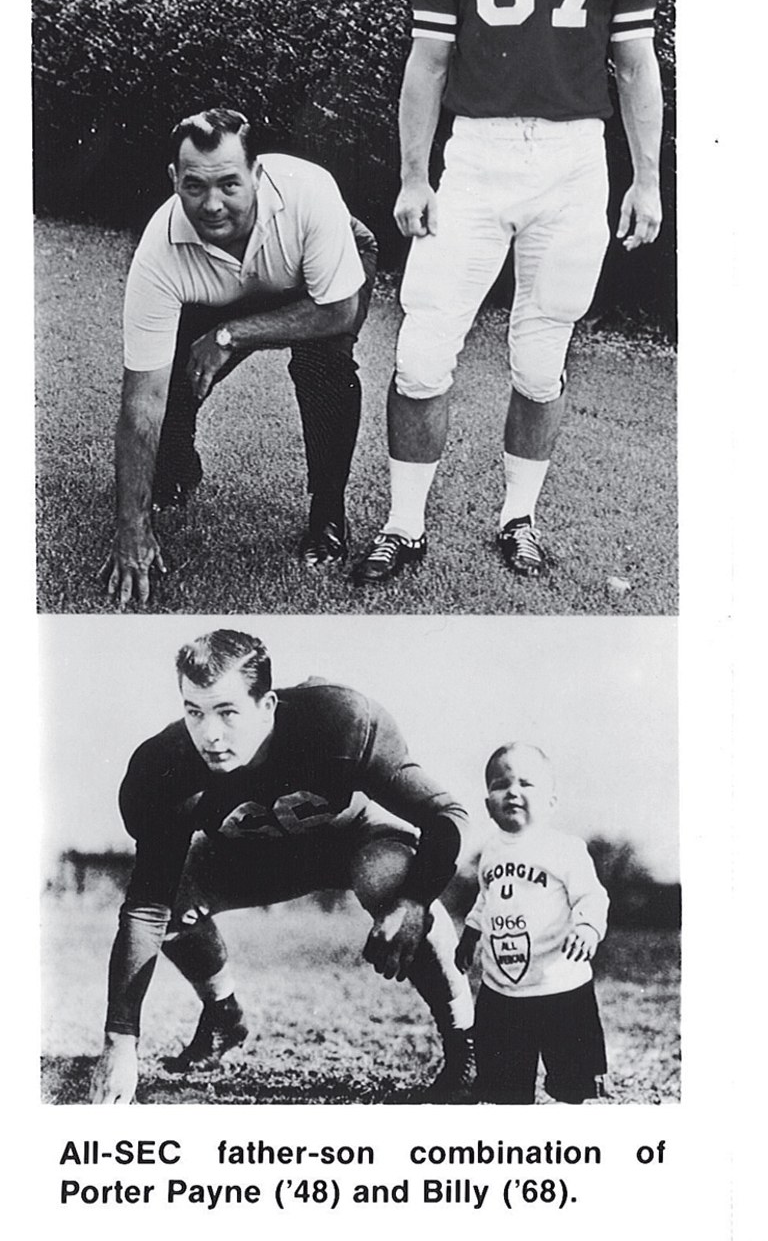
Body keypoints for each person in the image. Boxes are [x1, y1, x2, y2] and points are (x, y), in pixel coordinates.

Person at [353, 0, 675, 585]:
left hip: (571, 162)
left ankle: (518, 516)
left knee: (540, 357)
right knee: (423, 351)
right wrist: (414, 173)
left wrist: (646, 179)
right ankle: (404, 524)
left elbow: (635, 66)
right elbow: (427, 64)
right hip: (479, 158)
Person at [89, 629, 475, 1104]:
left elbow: (445, 815)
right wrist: (119, 1042)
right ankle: (223, 1015)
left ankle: (466, 1042)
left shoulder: (337, 722)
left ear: (267, 705)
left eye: (228, 712)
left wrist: (415, 901)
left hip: (349, 839)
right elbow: (145, 908)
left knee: (390, 881)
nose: (210, 734)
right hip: (250, 856)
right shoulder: (164, 765)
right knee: (172, 897)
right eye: (195, 711)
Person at [102, 108, 378, 609]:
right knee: (180, 373)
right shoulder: (158, 253)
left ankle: (328, 512)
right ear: (174, 179)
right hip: (220, 285)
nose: (211, 205)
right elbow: (143, 401)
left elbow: (338, 311)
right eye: (194, 187)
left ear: (257, 173)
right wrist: (131, 528)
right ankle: (176, 472)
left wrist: (232, 333)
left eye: (229, 184)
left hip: (314, 287)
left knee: (325, 367)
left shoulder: (309, 193)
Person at [455, 742, 609, 1104]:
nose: (512, 792)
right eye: (499, 783)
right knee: (503, 1084)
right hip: (503, 988)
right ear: (487, 803)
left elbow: (591, 895)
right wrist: (471, 935)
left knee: (573, 1082)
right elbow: (486, 898)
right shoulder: (490, 852)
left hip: (561, 984)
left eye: (527, 783)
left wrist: (587, 927)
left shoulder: (565, 848)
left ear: (552, 801)